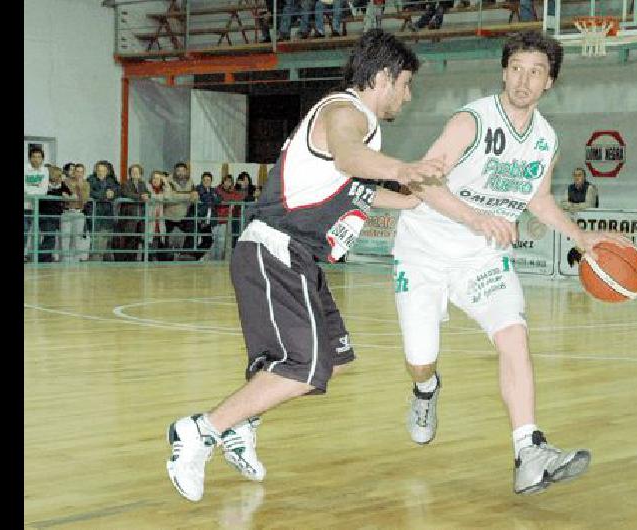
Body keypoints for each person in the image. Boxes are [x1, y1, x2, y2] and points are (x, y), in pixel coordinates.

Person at [165, 30, 445, 503]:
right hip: (276, 249)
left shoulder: (358, 124)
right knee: (302, 367)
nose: (408, 95)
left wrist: (406, 202)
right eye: (406, 84)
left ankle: (240, 425)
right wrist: (402, 169)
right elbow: (349, 156)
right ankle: (199, 431)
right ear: (382, 78)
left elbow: (349, 183)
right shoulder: (346, 112)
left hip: (298, 260)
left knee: (328, 363)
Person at [392, 30, 631, 496]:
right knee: (420, 360)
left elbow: (538, 200)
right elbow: (422, 182)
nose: (524, 80)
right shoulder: (471, 122)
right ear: (504, 72)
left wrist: (580, 237)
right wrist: (476, 217)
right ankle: (426, 390)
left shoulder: (545, 140)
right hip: (423, 251)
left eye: (535, 72)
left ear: (549, 83)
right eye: (517, 69)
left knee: (514, 335)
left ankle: (528, 450)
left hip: (481, 258)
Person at [85, 160, 121, 261]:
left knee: (107, 243)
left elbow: (119, 189)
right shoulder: (90, 180)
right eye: (99, 170)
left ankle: (106, 268)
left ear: (107, 171)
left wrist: (113, 192)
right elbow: (90, 192)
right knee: (97, 243)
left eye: (103, 170)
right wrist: (105, 195)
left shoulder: (112, 180)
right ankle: (95, 265)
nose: (101, 172)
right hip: (95, 215)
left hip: (108, 216)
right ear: (96, 171)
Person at [38, 166, 72, 262]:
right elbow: (46, 198)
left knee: (52, 237)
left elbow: (70, 194)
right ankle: (42, 258)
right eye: (59, 175)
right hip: (45, 214)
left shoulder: (62, 185)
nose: (62, 177)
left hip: (56, 214)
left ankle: (45, 257)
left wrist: (68, 195)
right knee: (50, 236)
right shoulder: (44, 185)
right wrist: (60, 195)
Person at [164, 162, 198, 258]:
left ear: (186, 171)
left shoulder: (190, 181)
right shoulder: (168, 181)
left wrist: (193, 195)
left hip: (184, 215)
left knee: (192, 231)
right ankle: (166, 257)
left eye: (183, 170)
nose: (181, 173)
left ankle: (186, 254)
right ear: (174, 171)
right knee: (165, 238)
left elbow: (195, 196)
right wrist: (188, 196)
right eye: (178, 171)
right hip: (169, 215)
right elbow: (170, 197)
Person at [61, 163, 91, 262]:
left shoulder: (86, 184)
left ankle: (76, 259)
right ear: (74, 172)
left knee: (77, 237)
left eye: (81, 172)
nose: (79, 174)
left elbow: (84, 200)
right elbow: (64, 195)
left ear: (84, 173)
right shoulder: (66, 181)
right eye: (77, 171)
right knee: (65, 236)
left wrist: (79, 187)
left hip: (79, 212)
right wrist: (70, 197)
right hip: (67, 212)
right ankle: (65, 259)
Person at [24, 147, 50, 262]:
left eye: (39, 157)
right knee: (24, 231)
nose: (36, 159)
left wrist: (30, 191)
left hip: (38, 207)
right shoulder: (25, 168)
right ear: (30, 158)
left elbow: (43, 190)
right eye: (34, 157)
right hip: (25, 206)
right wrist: (34, 188)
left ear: (42, 159)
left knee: (37, 233)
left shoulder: (45, 171)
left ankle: (35, 256)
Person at [215, 174, 246, 260]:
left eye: (230, 181)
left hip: (226, 220)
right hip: (216, 220)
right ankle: (215, 260)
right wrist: (231, 199)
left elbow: (240, 197)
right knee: (216, 242)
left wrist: (242, 188)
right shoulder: (217, 190)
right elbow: (223, 198)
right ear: (223, 182)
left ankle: (220, 261)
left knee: (223, 242)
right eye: (226, 181)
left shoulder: (233, 191)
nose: (227, 183)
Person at [192, 172, 222, 260]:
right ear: (201, 180)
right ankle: (195, 257)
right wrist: (212, 198)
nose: (206, 182)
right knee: (198, 239)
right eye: (204, 180)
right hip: (200, 218)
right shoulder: (198, 188)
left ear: (211, 181)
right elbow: (206, 198)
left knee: (208, 240)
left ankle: (196, 257)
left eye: (208, 180)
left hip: (209, 219)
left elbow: (219, 199)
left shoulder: (213, 190)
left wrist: (212, 198)